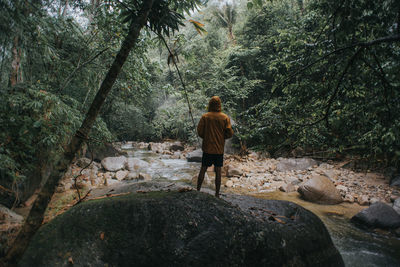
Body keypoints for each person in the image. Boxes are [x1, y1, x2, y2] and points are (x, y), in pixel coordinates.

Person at [196, 96, 234, 198]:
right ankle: (217, 194)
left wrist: (206, 137)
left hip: (207, 148)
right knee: (218, 171)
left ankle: (198, 190)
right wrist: (222, 138)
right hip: (218, 150)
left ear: (210, 104)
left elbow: (199, 132)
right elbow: (230, 133)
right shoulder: (225, 117)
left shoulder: (205, 117)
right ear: (219, 105)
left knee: (203, 169)